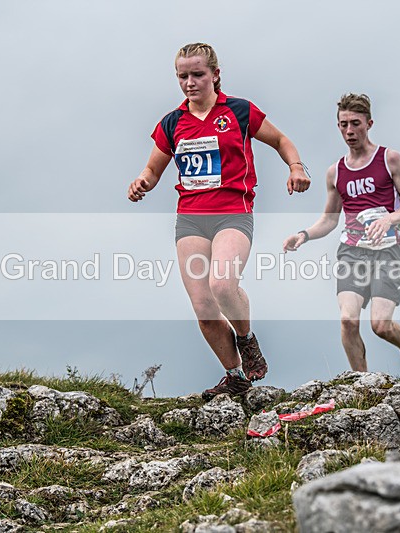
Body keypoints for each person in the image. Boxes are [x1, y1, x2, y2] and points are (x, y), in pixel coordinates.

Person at [128, 43, 310, 400]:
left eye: (197, 74)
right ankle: (235, 376)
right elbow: (152, 169)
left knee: (223, 285)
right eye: (183, 76)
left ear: (215, 74)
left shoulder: (238, 111)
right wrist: (142, 182)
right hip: (191, 220)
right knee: (203, 306)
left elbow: (280, 140)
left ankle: (246, 339)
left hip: (232, 213)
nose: (190, 83)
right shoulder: (172, 123)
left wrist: (296, 166)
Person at [282, 93, 400, 378]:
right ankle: (362, 382)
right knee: (348, 320)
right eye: (343, 124)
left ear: (369, 124)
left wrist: (388, 219)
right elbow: (329, 219)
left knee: (381, 326)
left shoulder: (389, 159)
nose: (349, 131)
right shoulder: (335, 172)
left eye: (355, 124)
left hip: (387, 251)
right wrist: (304, 235)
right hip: (352, 252)